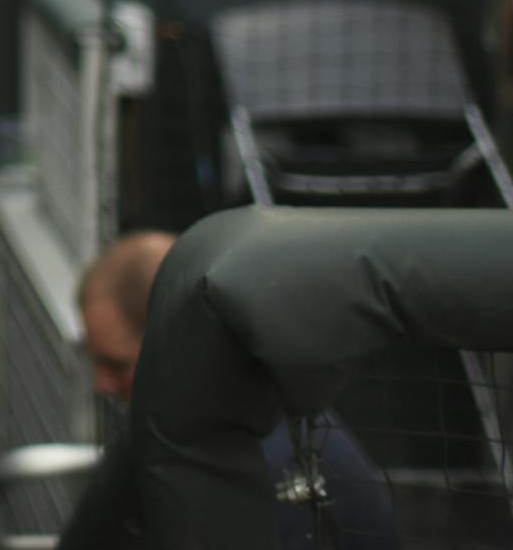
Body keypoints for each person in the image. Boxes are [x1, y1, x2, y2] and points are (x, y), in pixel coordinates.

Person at [59, 230, 396, 550]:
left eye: (118, 365)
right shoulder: (183, 428)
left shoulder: (255, 454)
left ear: (175, 346)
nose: (100, 384)